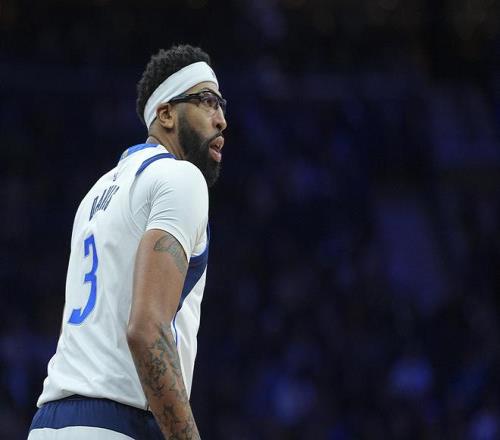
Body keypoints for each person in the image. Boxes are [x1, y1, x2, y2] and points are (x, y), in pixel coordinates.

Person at [28, 44, 227, 439]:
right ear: (165, 114)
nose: (221, 120)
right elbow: (147, 330)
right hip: (119, 423)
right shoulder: (181, 178)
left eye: (222, 105)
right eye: (207, 101)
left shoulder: (95, 194)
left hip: (49, 422)